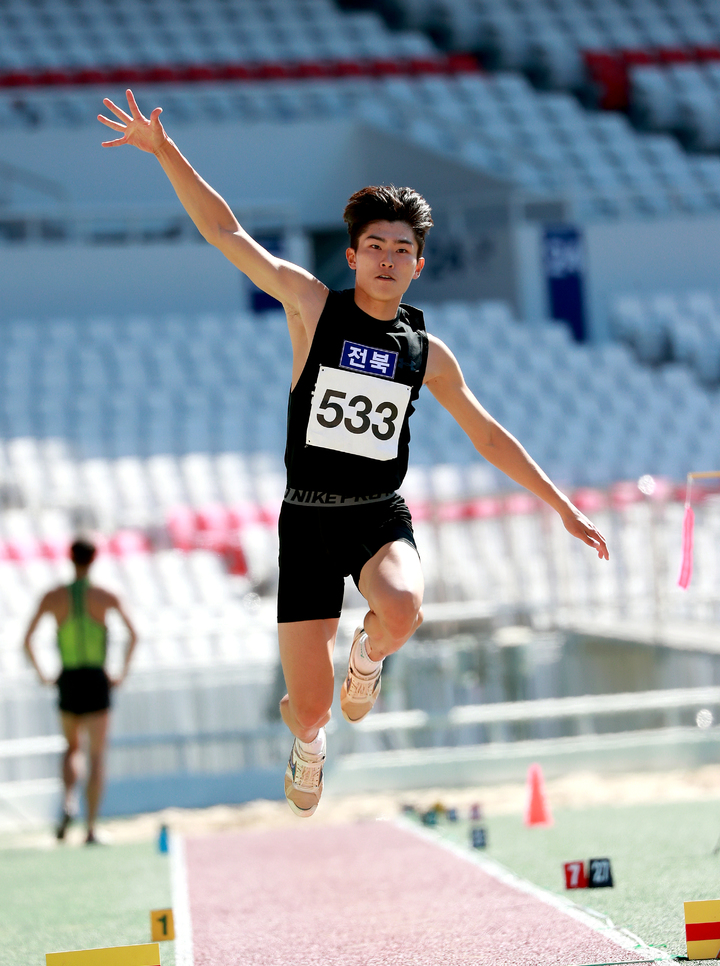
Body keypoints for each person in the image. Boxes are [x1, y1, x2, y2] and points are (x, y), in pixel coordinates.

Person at [97, 90, 609, 818]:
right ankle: (308, 742)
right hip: (306, 522)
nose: (389, 259)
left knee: (403, 607)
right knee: (307, 709)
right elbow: (224, 230)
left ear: (419, 265)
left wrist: (560, 506)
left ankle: (366, 660)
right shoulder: (311, 305)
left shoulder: (426, 352)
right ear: (352, 255)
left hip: (377, 515)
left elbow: (488, 435)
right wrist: (163, 150)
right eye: (376, 246)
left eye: (403, 249)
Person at [23, 538, 137, 843]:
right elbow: (134, 634)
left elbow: (26, 639)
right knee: (96, 754)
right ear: (94, 558)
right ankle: (90, 827)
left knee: (71, 747)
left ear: (69, 558)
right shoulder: (104, 595)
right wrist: (121, 674)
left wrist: (44, 675)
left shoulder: (53, 596)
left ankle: (68, 800)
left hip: (68, 677)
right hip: (96, 678)